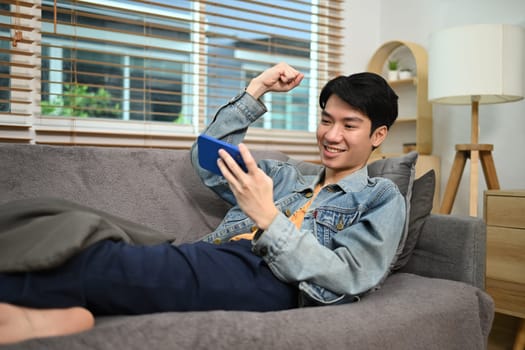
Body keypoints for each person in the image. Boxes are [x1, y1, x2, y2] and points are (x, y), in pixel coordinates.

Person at [0, 62, 405, 344]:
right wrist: (256, 90)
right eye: (326, 120)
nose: (331, 135)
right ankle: (55, 311)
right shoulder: (284, 175)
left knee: (103, 263)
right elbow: (210, 164)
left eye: (349, 125)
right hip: (212, 254)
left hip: (271, 277)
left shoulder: (381, 197)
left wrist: (269, 218)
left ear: (377, 135)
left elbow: (351, 275)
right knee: (59, 219)